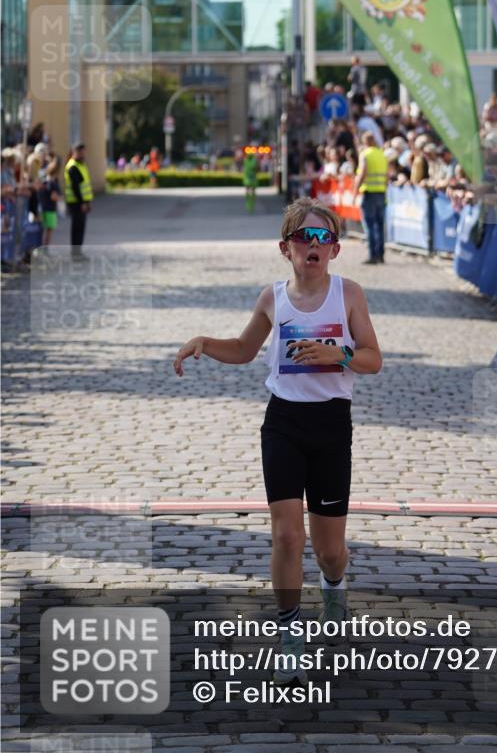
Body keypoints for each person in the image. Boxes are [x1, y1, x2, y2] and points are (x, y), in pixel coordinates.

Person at [173, 197, 382, 684]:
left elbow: (373, 359)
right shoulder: (273, 297)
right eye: (305, 238)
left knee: (330, 549)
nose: (315, 246)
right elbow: (245, 350)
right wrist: (205, 341)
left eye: (324, 238)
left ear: (335, 249)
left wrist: (340, 352)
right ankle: (290, 634)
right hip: (283, 423)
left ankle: (334, 586)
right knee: (287, 535)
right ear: (285, 247)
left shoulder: (348, 294)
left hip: (331, 426)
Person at [353, 130, 388, 265]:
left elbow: (362, 173)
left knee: (370, 225)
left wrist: (355, 191)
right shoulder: (382, 154)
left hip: (369, 193)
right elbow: (386, 176)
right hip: (381, 193)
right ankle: (381, 255)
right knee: (379, 225)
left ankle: (372, 255)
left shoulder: (365, 154)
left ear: (365, 142)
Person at [64, 142, 93, 257]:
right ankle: (75, 253)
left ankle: (78, 252)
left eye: (84, 152)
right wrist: (82, 203)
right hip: (76, 202)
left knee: (80, 228)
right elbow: (76, 187)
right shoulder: (73, 166)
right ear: (74, 152)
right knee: (77, 228)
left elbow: (85, 185)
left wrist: (88, 202)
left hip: (82, 202)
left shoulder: (81, 165)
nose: (83, 154)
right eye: (80, 152)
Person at [39, 158, 61, 247]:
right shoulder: (53, 183)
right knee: (49, 231)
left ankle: (43, 248)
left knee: (45, 230)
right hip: (51, 209)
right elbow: (54, 196)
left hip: (44, 208)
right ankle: (45, 249)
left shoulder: (46, 181)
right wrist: (61, 198)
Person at [242, 146, 259, 212]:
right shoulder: (253, 161)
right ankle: (251, 203)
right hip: (252, 178)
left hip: (248, 178)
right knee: (252, 191)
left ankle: (249, 202)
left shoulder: (246, 160)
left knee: (248, 191)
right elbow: (256, 168)